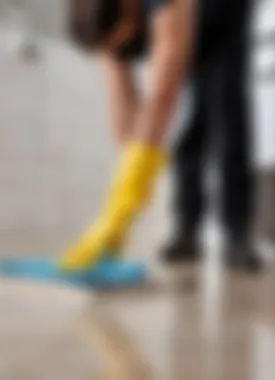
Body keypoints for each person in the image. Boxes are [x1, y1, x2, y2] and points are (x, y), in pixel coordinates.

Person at [58, 0, 195, 273]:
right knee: (177, 136)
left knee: (218, 105)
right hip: (150, 16)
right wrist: (119, 206)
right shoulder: (97, 11)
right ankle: (187, 233)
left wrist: (133, 184)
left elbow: (165, 87)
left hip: (220, 16)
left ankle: (234, 233)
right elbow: (119, 90)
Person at [161, 0, 262, 272]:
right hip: (189, 19)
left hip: (226, 17)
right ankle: (187, 228)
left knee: (230, 125)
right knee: (190, 128)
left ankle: (237, 233)